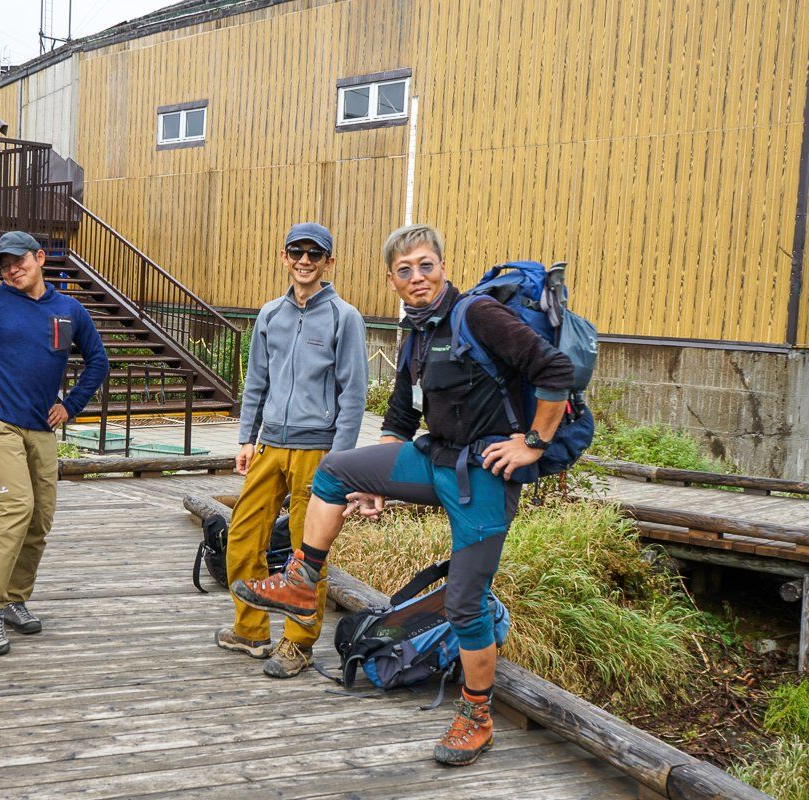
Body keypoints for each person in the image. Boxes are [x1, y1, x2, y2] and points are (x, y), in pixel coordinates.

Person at [231, 223, 574, 765]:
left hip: (482, 475)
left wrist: (533, 444)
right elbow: (400, 413)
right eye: (405, 269)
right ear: (391, 279)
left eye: (426, 266)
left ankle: (476, 717)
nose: (417, 277)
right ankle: (302, 581)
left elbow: (557, 369)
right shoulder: (416, 329)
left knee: (465, 604)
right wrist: (377, 483)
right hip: (432, 458)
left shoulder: (477, 315)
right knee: (337, 471)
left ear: (443, 267)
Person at [0, 231, 108, 656]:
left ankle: (14, 597)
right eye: (3, 265)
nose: (11, 270)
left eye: (18, 261)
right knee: (15, 506)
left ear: (40, 258)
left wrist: (71, 406)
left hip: (42, 425)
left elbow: (98, 361)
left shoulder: (69, 310)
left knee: (41, 516)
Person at [215, 222, 368, 678]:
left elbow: (353, 394)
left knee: (306, 552)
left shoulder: (346, 318)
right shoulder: (269, 315)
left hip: (317, 452)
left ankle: (298, 644)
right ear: (284, 257)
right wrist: (246, 437)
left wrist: (340, 462)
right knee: (243, 536)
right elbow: (256, 382)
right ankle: (251, 631)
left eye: (314, 254)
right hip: (268, 446)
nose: (304, 261)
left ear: (328, 262)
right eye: (296, 252)